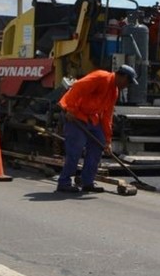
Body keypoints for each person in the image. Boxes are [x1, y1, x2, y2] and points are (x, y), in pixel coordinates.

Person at [56, 65, 137, 194]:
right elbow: (77, 87)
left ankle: (87, 182)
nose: (127, 86)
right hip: (76, 115)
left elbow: (107, 116)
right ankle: (64, 182)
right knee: (76, 149)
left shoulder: (114, 91)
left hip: (92, 119)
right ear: (123, 77)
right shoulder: (101, 77)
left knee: (99, 144)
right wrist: (70, 109)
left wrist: (107, 140)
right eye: (128, 82)